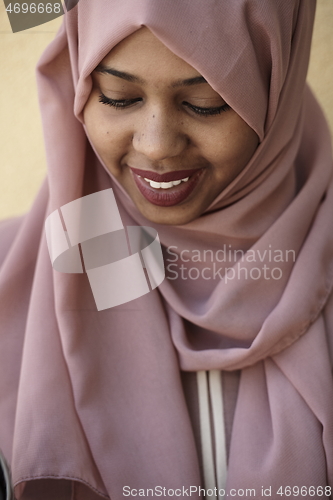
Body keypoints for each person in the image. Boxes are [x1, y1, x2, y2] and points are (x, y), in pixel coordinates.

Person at [0, 0, 333, 499]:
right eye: (117, 97)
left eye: (205, 103)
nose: (156, 146)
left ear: (276, 90)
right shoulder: (12, 272)